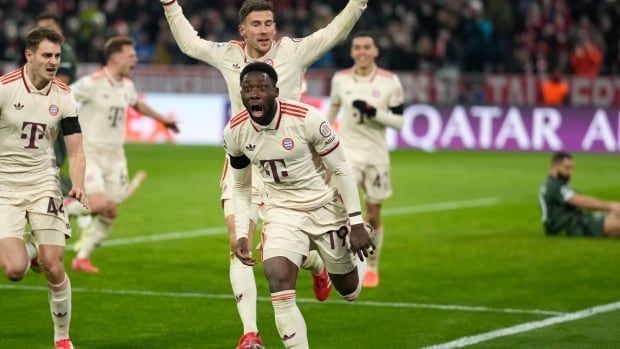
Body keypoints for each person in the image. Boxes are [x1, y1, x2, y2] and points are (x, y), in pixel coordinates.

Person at [161, 0, 368, 346]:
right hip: (248, 160)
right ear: (243, 30)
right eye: (256, 24)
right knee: (238, 242)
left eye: (269, 23)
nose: (264, 30)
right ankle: (250, 333)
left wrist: (358, 3)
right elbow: (190, 44)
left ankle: (317, 263)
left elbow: (335, 32)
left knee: (337, 278)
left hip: (297, 168)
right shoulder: (228, 55)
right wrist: (170, 5)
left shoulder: (293, 52)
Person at [224, 62, 373, 349]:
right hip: (282, 212)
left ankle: (354, 248)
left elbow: (342, 169)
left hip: (325, 207)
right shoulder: (236, 131)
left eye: (262, 88)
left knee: (350, 292)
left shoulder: (306, 118)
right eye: (247, 89)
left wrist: (355, 222)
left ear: (276, 92)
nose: (254, 94)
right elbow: (242, 186)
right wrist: (243, 232)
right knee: (277, 279)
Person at [0, 27, 87, 349]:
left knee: (54, 264)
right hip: (4, 187)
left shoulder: (64, 96)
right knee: (14, 270)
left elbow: (76, 149)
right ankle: (30, 250)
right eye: (47, 56)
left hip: (44, 184)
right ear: (30, 56)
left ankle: (62, 339)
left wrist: (77, 184)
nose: (53, 62)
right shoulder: (5, 90)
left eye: (57, 56)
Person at [68, 36, 178, 273]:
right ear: (115, 57)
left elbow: (137, 104)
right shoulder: (91, 83)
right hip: (91, 152)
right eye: (131, 55)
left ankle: (82, 257)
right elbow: (63, 98)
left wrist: (163, 120)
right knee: (97, 202)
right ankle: (60, 209)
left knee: (110, 209)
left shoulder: (127, 85)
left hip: (116, 155)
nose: (136, 59)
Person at [327, 32, 404, 287]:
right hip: (348, 153)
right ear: (352, 52)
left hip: (376, 155)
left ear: (375, 52)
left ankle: (371, 266)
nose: (361, 51)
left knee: (372, 213)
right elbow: (334, 108)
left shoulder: (390, 82)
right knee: (342, 208)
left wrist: (374, 112)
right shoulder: (340, 79)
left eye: (366, 47)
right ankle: (339, 264)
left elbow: (399, 122)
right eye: (357, 47)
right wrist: (323, 134)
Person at [37, 13, 78, 196]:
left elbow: (61, 82)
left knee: (53, 159)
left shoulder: (64, 51)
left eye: (47, 28)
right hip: (42, 110)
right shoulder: (39, 51)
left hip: (56, 111)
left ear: (57, 28)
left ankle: (68, 196)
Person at [539, 151, 620, 237]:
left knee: (616, 216)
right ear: (555, 166)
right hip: (567, 226)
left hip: (575, 220)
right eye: (567, 168)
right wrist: (610, 206)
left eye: (572, 168)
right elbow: (580, 201)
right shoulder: (553, 185)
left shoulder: (556, 183)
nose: (571, 172)